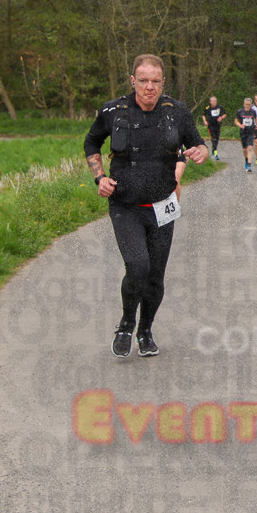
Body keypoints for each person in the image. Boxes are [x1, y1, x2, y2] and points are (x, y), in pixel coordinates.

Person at [84, 54, 208, 358]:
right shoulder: (113, 111)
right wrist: (99, 176)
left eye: (155, 81)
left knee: (155, 276)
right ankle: (127, 322)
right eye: (143, 81)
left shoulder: (177, 112)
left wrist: (201, 151)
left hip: (163, 206)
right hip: (125, 204)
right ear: (132, 81)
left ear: (163, 82)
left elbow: (198, 141)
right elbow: (91, 142)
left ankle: (146, 330)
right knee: (137, 266)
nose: (149, 87)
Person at [234, 97, 257, 172]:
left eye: (249, 105)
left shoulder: (253, 111)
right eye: (246, 104)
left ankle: (249, 165)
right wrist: (240, 125)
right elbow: (236, 121)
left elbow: (256, 118)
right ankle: (246, 160)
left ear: (251, 105)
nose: (248, 106)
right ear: (244, 104)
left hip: (251, 132)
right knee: (244, 149)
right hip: (243, 132)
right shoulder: (240, 111)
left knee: (250, 147)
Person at [202, 96, 227, 160]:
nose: (214, 102)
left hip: (218, 125)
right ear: (210, 102)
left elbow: (225, 114)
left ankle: (214, 148)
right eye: (213, 101)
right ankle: (216, 153)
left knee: (217, 138)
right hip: (211, 125)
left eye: (215, 101)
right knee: (213, 138)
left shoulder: (219, 107)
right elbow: (203, 115)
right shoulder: (208, 108)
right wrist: (205, 121)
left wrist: (221, 118)